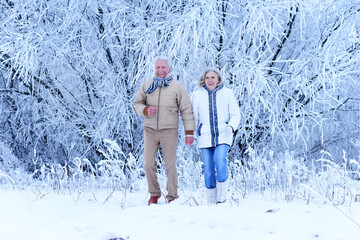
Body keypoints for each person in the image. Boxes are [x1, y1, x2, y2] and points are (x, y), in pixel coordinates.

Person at [133, 56, 195, 205]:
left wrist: (189, 132)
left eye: (163, 67)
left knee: (170, 165)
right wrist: (146, 110)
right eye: (158, 67)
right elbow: (136, 103)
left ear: (169, 69)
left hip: (169, 131)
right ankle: (154, 194)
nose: (160, 71)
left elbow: (186, 110)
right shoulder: (148, 84)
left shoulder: (177, 86)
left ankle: (172, 196)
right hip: (150, 130)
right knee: (148, 164)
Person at [191, 67, 240, 204]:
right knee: (208, 167)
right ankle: (211, 201)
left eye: (213, 77)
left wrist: (231, 126)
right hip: (204, 135)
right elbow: (194, 116)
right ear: (204, 80)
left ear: (218, 79)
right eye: (207, 78)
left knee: (220, 160)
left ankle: (222, 198)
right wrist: (192, 133)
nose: (210, 80)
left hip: (223, 134)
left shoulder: (227, 93)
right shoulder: (197, 94)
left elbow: (236, 114)